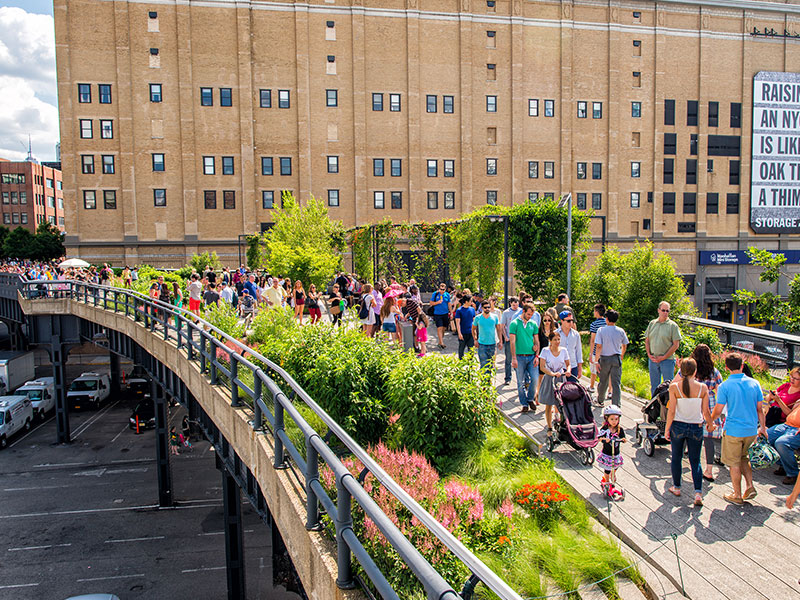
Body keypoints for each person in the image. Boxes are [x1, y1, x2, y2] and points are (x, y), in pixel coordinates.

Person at [711, 353, 767, 505]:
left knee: (734, 463)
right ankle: (749, 486)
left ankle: (737, 494)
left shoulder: (724, 386)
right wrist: (763, 427)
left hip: (733, 430)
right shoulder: (754, 383)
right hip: (751, 430)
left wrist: (709, 420)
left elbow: (718, 409)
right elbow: (759, 409)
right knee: (744, 458)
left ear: (726, 367)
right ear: (742, 365)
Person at [665, 358, 711, 507]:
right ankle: (698, 492)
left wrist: (667, 429)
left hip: (678, 425)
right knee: (695, 461)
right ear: (695, 371)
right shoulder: (703, 388)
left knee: (676, 458)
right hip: (696, 426)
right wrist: (710, 424)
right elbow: (705, 411)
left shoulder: (674, 387)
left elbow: (671, 411)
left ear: (681, 370)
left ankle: (676, 487)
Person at [685, 344, 724, 481]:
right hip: (710, 402)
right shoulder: (714, 372)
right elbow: (720, 392)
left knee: (688, 430)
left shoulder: (692, 370)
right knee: (708, 439)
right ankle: (709, 469)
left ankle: (686, 455)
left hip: (693, 401)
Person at [767, 370, 800, 485]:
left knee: (781, 443)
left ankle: (792, 473)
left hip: (796, 429)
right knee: (766, 436)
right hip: (787, 424)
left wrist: (778, 400)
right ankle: (783, 465)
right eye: (792, 377)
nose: (792, 380)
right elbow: (792, 414)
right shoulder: (787, 387)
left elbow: (788, 412)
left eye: (796, 378)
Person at [645, 301, 682, 395]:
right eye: (663, 310)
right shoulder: (652, 323)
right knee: (654, 386)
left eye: (667, 311)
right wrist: (649, 354)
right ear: (658, 310)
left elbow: (676, 345)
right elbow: (647, 340)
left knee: (668, 386)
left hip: (667, 360)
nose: (665, 313)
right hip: (653, 359)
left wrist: (664, 357)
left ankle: (667, 407)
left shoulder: (673, 326)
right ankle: (653, 407)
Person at [594, 309, 628, 408]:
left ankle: (600, 400)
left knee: (603, 381)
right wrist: (622, 354)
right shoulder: (620, 330)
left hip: (605, 358)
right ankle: (616, 404)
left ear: (607, 319)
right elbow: (625, 344)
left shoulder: (601, 330)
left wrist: (596, 361)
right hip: (616, 358)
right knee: (616, 382)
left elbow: (599, 346)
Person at [509, 303, 540, 413]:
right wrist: (513, 358)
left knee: (535, 379)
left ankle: (530, 398)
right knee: (520, 382)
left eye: (531, 314)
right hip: (519, 356)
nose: (530, 316)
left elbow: (537, 340)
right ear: (523, 312)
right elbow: (512, 342)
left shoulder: (533, 324)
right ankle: (524, 403)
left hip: (531, 356)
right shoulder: (514, 324)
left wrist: (537, 355)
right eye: (528, 314)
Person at [539, 330, 570, 433]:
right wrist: (552, 373)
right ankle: (549, 427)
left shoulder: (564, 350)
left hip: (561, 377)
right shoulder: (545, 351)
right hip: (550, 377)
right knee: (549, 403)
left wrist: (568, 371)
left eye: (558, 339)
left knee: (561, 403)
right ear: (550, 341)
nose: (557, 342)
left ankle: (562, 424)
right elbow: (542, 366)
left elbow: (568, 363)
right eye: (555, 340)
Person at [598, 405, 626, 500]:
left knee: (615, 467)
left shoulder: (619, 429)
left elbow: (623, 437)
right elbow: (599, 437)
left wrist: (623, 440)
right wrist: (604, 439)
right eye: (612, 419)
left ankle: (612, 475)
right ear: (607, 419)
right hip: (607, 453)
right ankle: (606, 481)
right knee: (607, 469)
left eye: (616, 419)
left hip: (616, 454)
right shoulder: (605, 429)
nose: (614, 421)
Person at [473, 301, 502, 372]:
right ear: (482, 308)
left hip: (492, 343)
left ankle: (489, 381)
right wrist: (475, 339)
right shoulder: (478, 318)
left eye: (488, 307)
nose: (487, 309)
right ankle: (484, 382)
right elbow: (473, 329)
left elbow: (498, 329)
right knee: (483, 365)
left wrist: (501, 341)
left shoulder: (495, 317)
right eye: (485, 307)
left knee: (491, 365)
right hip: (482, 344)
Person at [501, 297, 522, 385]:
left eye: (516, 304)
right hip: (509, 339)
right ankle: (508, 378)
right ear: (510, 304)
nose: (515, 306)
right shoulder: (506, 313)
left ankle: (520, 378)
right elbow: (502, 325)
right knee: (508, 359)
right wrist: (505, 336)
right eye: (513, 305)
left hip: (519, 339)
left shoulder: (521, 311)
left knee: (519, 359)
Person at [558, 311, 583, 382]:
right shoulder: (556, 334)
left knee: (572, 390)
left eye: (572, 321)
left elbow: (578, 351)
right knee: (559, 390)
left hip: (573, 365)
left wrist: (580, 368)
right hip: (559, 367)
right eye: (568, 321)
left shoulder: (576, 334)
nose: (571, 323)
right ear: (562, 321)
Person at [588, 304, 607, 395]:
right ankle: (609, 391)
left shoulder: (594, 324)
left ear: (597, 312)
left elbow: (593, 340)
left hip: (596, 350)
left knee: (594, 369)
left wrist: (591, 353)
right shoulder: (607, 323)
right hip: (606, 351)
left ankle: (592, 386)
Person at [430, 283, 451, 349]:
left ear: (445, 289)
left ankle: (440, 341)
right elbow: (431, 303)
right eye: (441, 289)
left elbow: (449, 304)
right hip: (437, 313)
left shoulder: (447, 295)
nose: (442, 291)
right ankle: (442, 343)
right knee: (439, 327)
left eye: (443, 289)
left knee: (444, 329)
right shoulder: (435, 294)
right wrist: (437, 302)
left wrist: (451, 312)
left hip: (445, 313)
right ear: (439, 289)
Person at [454, 295, 476, 359]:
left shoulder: (472, 309)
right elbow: (457, 323)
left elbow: (474, 322)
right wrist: (459, 333)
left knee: (471, 350)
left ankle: (470, 365)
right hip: (463, 332)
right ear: (466, 301)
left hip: (470, 332)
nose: (472, 302)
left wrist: (475, 333)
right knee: (461, 349)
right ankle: (461, 364)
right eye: (470, 301)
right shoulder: (459, 310)